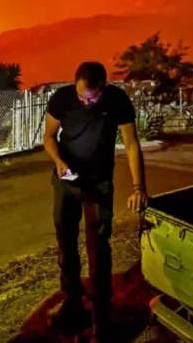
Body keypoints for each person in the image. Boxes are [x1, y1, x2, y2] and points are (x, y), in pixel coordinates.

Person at [43, 62, 148, 340]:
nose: (86, 102)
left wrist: (139, 186)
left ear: (104, 86)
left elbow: (132, 143)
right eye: (82, 98)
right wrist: (58, 161)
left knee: (98, 248)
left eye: (92, 98)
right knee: (66, 244)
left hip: (99, 183)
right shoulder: (62, 98)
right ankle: (73, 303)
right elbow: (49, 137)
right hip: (66, 180)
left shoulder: (117, 101)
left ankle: (101, 317)